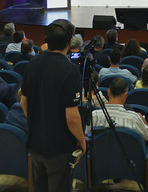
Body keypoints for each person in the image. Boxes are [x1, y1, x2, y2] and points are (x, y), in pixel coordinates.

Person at [21, 19, 86, 192]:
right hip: (59, 147)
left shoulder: (32, 63)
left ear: (46, 40)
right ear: (70, 41)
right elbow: (72, 117)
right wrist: (81, 140)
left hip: (35, 142)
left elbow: (23, 102)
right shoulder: (70, 70)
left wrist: (37, 124)